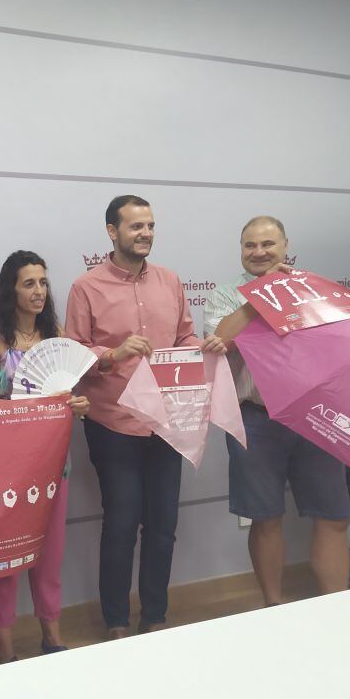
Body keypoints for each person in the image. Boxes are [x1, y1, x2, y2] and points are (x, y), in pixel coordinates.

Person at [65, 195, 226, 639]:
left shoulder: (171, 281)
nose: (146, 234)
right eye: (136, 226)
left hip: (166, 423)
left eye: (151, 225)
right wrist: (111, 354)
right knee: (121, 524)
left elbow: (185, 336)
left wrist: (203, 346)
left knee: (163, 525)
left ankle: (155, 616)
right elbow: (73, 351)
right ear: (112, 232)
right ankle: (116, 621)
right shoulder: (86, 286)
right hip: (113, 422)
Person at [204, 216, 350, 606]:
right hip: (255, 419)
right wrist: (262, 295)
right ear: (241, 250)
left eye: (268, 244)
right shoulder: (225, 295)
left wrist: (286, 290)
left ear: (286, 246)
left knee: (334, 514)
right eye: (250, 245)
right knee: (266, 517)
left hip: (314, 415)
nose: (259, 252)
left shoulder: (313, 291)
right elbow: (219, 340)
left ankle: (339, 609)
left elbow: (335, 348)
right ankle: (274, 609)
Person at [0, 250, 89, 664]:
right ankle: (5, 652)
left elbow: (66, 394)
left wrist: (74, 405)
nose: (39, 291)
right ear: (11, 289)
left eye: (43, 282)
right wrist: (27, 408)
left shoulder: (56, 334)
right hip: (7, 469)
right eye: (29, 283)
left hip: (54, 463)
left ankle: (52, 638)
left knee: (50, 555)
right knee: (5, 560)